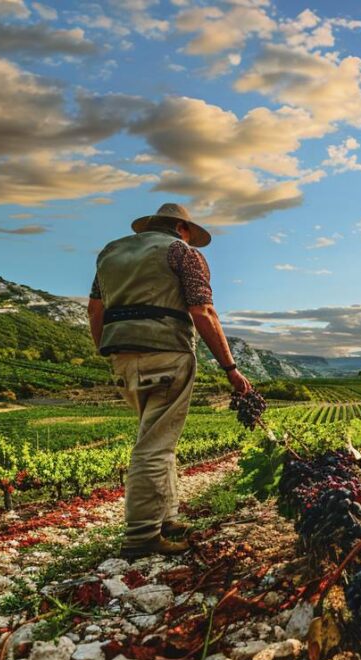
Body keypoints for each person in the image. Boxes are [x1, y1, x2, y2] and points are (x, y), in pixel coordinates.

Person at [87, 203, 252, 559]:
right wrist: (230, 368)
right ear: (182, 227)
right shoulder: (182, 252)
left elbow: (94, 310)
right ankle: (141, 535)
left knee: (156, 437)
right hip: (167, 352)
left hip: (121, 355)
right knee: (155, 446)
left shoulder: (110, 253)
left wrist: (107, 350)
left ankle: (166, 518)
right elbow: (202, 311)